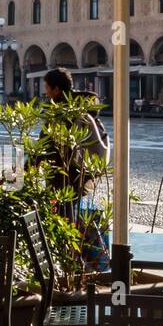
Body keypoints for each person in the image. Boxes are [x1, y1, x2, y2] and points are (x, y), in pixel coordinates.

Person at [39, 67, 111, 273]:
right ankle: (89, 263)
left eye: (47, 87)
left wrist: (26, 169)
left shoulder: (63, 112)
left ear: (56, 89)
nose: (46, 92)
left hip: (66, 177)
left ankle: (71, 265)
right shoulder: (84, 108)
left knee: (66, 221)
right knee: (78, 218)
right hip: (86, 176)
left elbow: (46, 145)